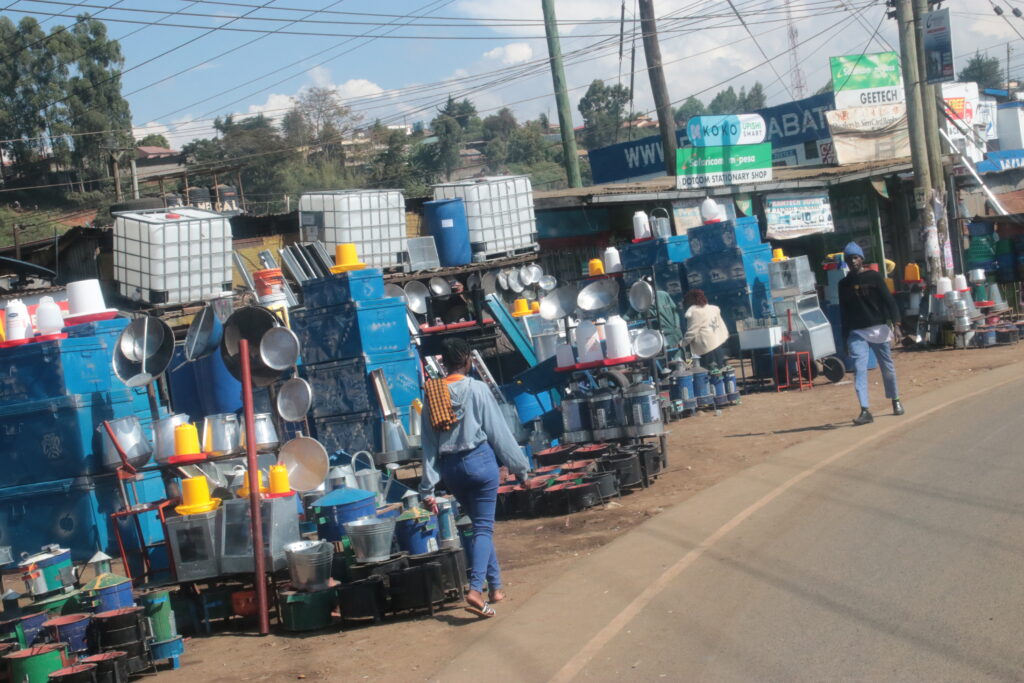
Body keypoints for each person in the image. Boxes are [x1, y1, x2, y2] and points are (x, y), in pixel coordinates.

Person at [419, 338, 529, 618]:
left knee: (480, 526)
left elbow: (428, 444)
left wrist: (427, 489)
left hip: (451, 470)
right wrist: (521, 468)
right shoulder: (477, 389)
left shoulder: (433, 394)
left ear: (444, 363)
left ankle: (496, 588)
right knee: (483, 528)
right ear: (467, 360)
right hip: (480, 463)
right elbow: (499, 433)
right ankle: (476, 590)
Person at [837, 241, 904, 425]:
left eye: (855, 258)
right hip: (857, 333)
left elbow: (889, 301)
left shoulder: (873, 277)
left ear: (861, 259)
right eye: (849, 259)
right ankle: (865, 410)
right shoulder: (843, 284)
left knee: (887, 367)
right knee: (859, 370)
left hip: (878, 330)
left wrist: (897, 324)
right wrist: (844, 338)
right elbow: (844, 312)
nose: (852, 262)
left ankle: (895, 400)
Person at [681, 288, 729, 370]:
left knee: (708, 372)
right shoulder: (713, 309)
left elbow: (692, 332)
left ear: (690, 301)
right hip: (717, 345)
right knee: (719, 371)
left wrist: (682, 343)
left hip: (705, 348)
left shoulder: (695, 312)